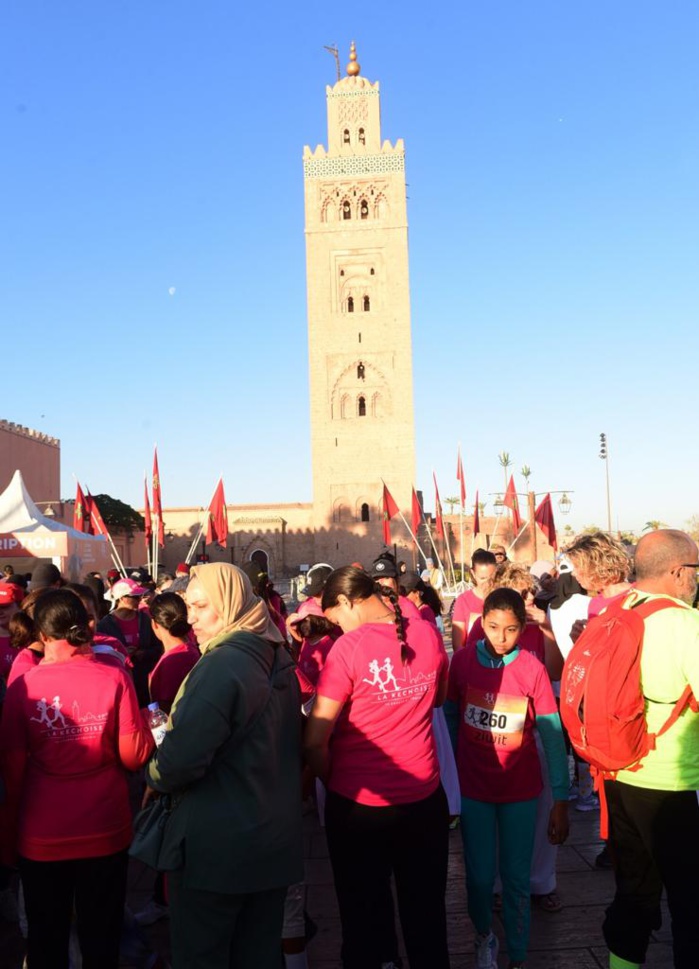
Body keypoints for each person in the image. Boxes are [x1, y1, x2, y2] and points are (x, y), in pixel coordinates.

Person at [144, 563, 303, 969]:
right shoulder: (274, 652)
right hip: (271, 839)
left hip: (218, 846)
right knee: (258, 952)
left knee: (204, 953)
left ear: (230, 604)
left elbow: (179, 762)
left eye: (199, 606)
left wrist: (154, 773)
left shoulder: (221, 666)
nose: (190, 617)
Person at [304, 566, 450, 969]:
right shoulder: (426, 632)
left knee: (364, 920)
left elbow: (316, 738)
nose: (338, 630)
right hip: (423, 798)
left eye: (337, 621)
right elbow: (439, 699)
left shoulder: (347, 649)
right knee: (427, 918)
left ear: (348, 604)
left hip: (359, 805)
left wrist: (333, 780)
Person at [0, 589, 154, 969]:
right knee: (101, 937)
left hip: (42, 832)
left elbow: (12, 771)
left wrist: (9, 837)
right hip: (104, 826)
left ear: (42, 633)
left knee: (45, 937)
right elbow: (134, 756)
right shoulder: (114, 676)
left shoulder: (23, 686)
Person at [445, 588, 569, 969]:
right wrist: (449, 785)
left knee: (516, 879)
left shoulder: (531, 668)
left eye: (511, 629)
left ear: (522, 628)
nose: (501, 638)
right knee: (480, 879)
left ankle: (517, 953)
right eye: (493, 627)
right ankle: (485, 936)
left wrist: (561, 798)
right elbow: (450, 718)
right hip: (474, 789)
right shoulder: (463, 662)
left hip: (520, 790)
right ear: (481, 622)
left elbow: (550, 731)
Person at [598, 529, 699, 969]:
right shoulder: (683, 623)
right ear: (679, 571)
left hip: (621, 773)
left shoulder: (617, 610)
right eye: (695, 570)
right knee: (691, 902)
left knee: (634, 892)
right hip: (676, 785)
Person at [564, 531, 633, 814]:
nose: (576, 575)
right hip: (599, 706)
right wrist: (579, 637)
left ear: (596, 565)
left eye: (579, 567)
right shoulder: (595, 604)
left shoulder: (635, 599)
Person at [98, 577, 161, 705]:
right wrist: (121, 653)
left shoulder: (146, 620)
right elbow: (100, 656)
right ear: (122, 598)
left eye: (140, 596)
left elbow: (159, 647)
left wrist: (144, 653)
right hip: (120, 684)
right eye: (135, 597)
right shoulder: (105, 625)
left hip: (145, 685)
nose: (140, 600)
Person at [451, 549, 497, 650]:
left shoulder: (503, 597)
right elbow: (458, 645)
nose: (488, 583)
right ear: (473, 573)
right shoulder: (463, 600)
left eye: (491, 578)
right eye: (482, 578)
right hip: (472, 661)